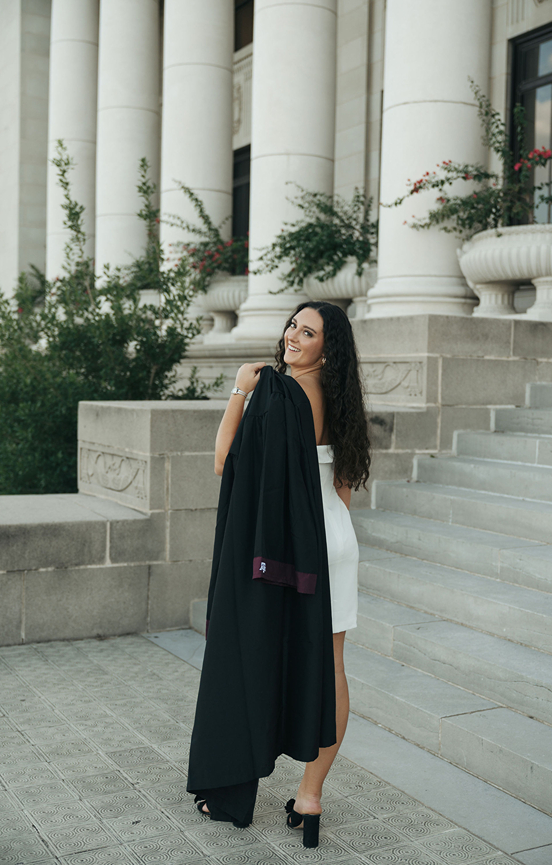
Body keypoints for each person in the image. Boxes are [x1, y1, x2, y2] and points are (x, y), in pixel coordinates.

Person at [187, 300, 371, 847]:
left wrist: (239, 390)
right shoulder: (343, 401)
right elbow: (342, 488)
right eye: (293, 324)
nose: (293, 335)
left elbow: (226, 463)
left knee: (259, 653)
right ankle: (310, 798)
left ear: (325, 347)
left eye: (307, 332)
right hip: (333, 542)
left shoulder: (271, 391)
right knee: (331, 665)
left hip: (284, 549)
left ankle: (236, 772)